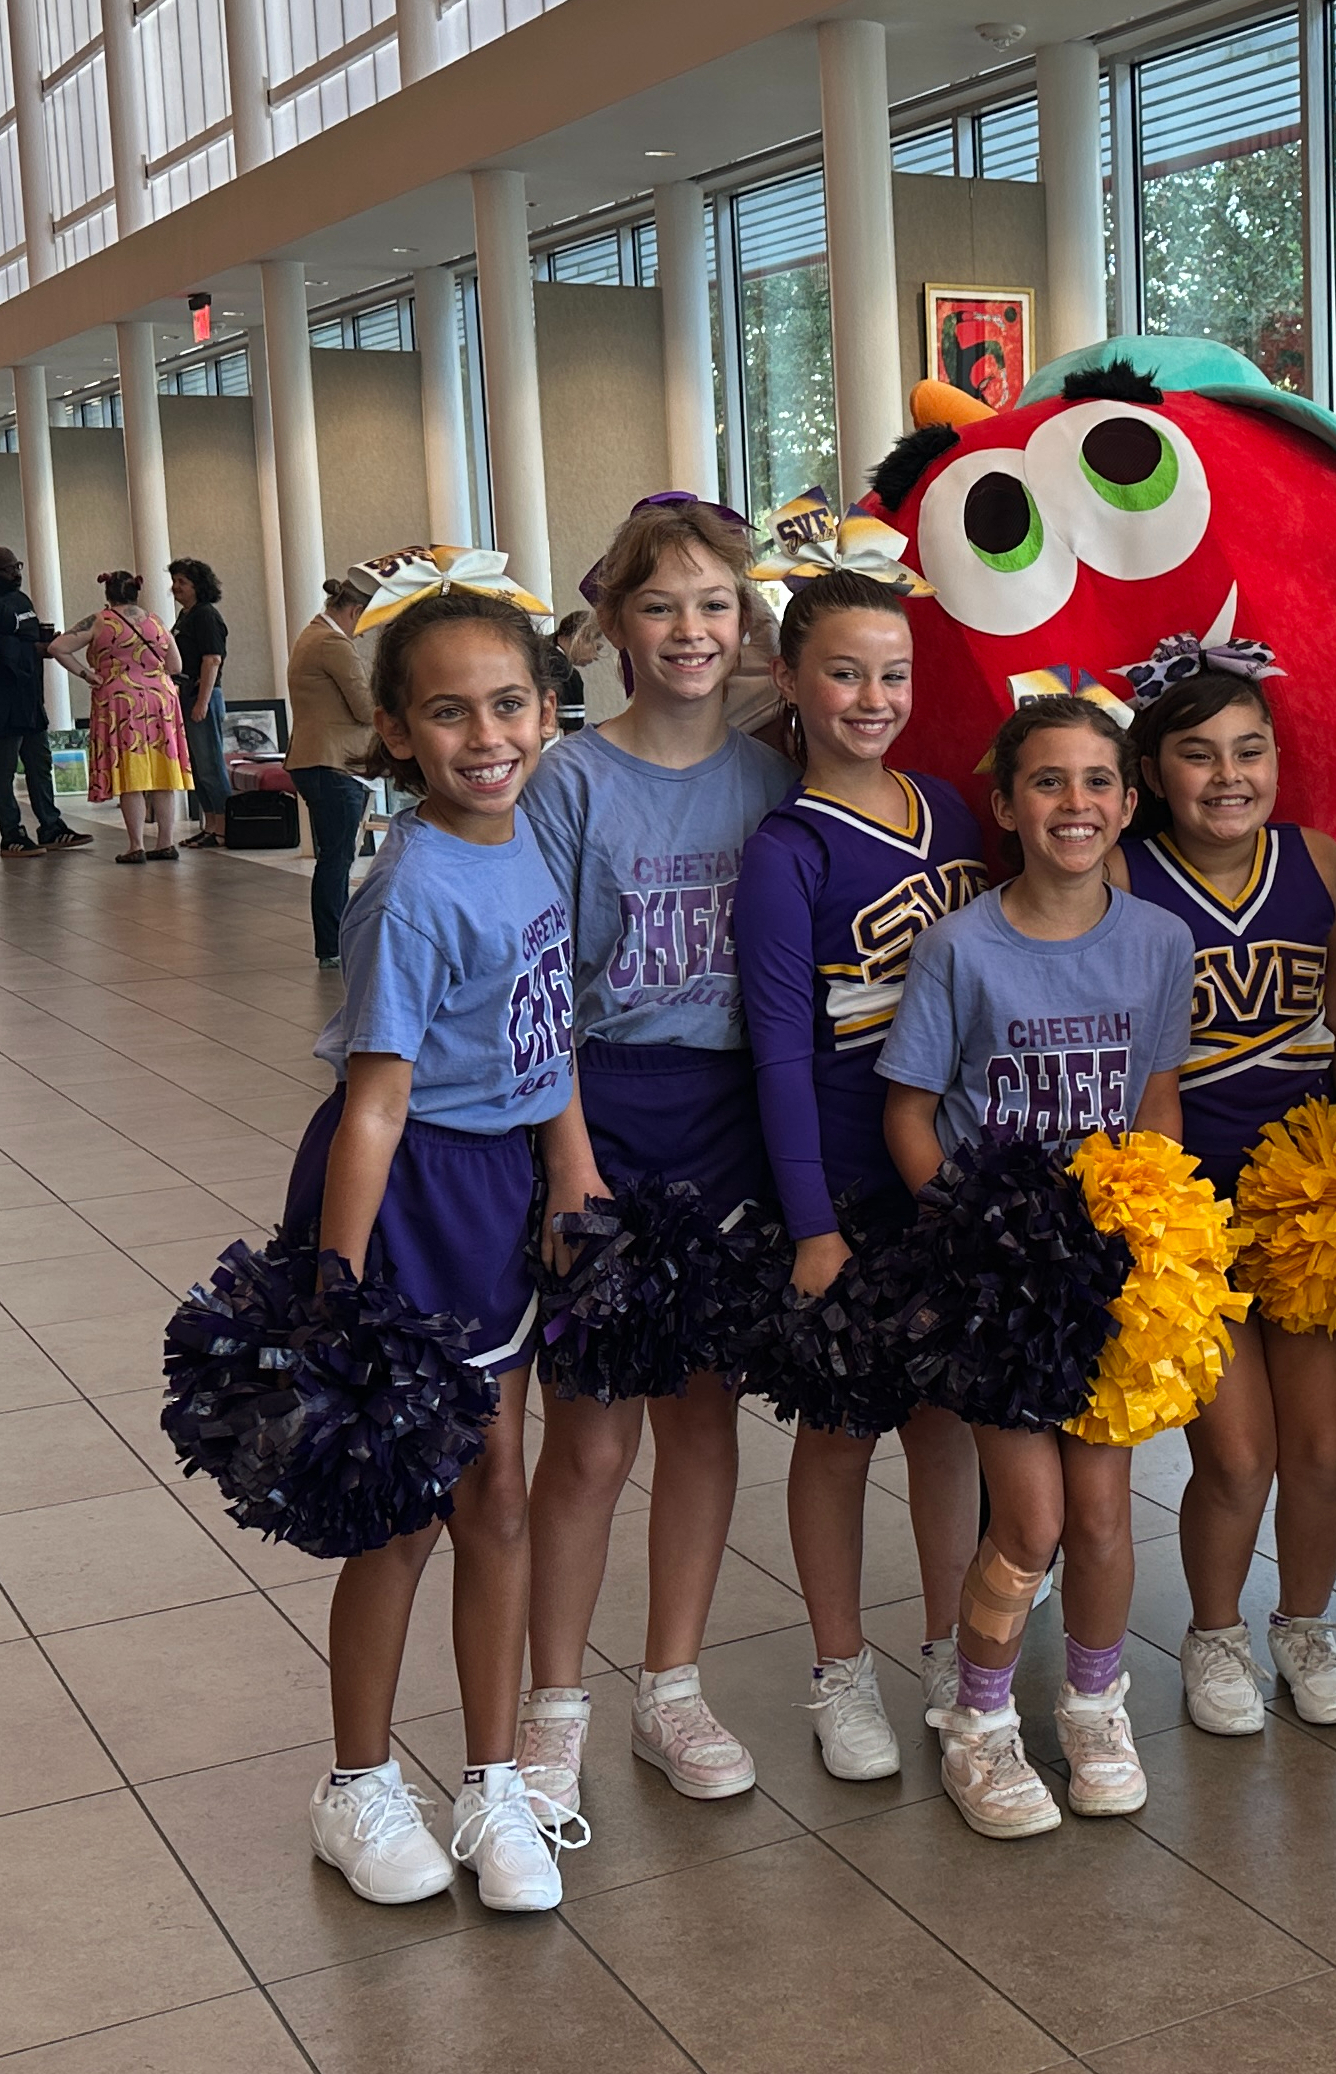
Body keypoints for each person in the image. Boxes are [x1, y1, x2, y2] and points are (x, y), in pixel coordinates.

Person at [295, 585, 598, 1913]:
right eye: (448, 710)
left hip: (502, 1188)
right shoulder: (410, 885)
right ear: (397, 733)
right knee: (405, 1519)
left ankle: (491, 1783)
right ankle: (357, 1785)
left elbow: (547, 1019)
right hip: (414, 1194)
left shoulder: (521, 835)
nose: (488, 732)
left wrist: (568, 1155)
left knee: (502, 1495)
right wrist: (337, 1288)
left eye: (511, 702)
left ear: (545, 707)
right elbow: (374, 1101)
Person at [516, 500, 798, 1818]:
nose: (691, 630)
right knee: (587, 1442)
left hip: (730, 1120)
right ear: (617, 626)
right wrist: (569, 1163)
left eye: (714, 604)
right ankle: (552, 1705)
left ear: (746, 625)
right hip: (605, 1117)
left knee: (700, 1417)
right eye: (661, 605)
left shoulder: (773, 783)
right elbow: (543, 998)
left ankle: (670, 1688)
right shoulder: (569, 782)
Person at [878, 695, 1196, 1839]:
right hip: (1003, 1280)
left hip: (1111, 1269)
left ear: (1127, 799)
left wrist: (1156, 1221)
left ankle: (1097, 1703)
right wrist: (965, 1230)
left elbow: (1155, 1094)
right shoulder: (961, 945)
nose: (1076, 803)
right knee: (1029, 1519)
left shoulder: (1159, 938)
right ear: (1006, 805)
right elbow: (910, 1109)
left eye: (1097, 781)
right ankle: (978, 1719)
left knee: (1106, 1514)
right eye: (1048, 782)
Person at [730, 570, 988, 1783]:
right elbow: (777, 1044)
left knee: (945, 1422)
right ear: (787, 681)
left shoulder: (947, 807)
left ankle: (947, 1644)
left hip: (946, 1169)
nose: (870, 696)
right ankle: (839, 1665)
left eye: (891, 672)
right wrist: (812, 1220)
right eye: (842, 671)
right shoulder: (785, 847)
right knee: (839, 1427)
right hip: (842, 1169)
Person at [1114, 650, 1336, 1733]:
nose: (1227, 774)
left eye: (1249, 749)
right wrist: (1151, 1207)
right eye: (1197, 753)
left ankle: (1304, 1622)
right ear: (1152, 773)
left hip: (1312, 1197)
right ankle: (1213, 1630)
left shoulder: (1317, 858)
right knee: (1235, 1449)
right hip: (1188, 1194)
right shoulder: (1126, 875)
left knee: (1321, 1446)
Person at [49, 572, 190, 862]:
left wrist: (88, 675)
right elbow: (175, 665)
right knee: (164, 773)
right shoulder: (156, 621)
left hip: (120, 701)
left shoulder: (101, 620)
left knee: (130, 773)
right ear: (136, 593)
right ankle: (166, 842)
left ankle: (136, 845)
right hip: (160, 701)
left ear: (108, 594)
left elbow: (57, 647)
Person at [288, 576, 377, 966]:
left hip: (315, 760)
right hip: (332, 762)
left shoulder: (312, 634)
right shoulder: (333, 644)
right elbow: (364, 707)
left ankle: (333, 942)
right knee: (337, 858)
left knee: (333, 855)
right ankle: (333, 945)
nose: (361, 635)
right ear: (355, 611)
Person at [0, 547, 86, 854]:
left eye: (17, 566)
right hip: (5, 707)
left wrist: (50, 645)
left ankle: (51, 826)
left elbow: (27, 642)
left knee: (40, 765)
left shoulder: (22, 602)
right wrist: (37, 650)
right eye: (9, 569)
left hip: (30, 701)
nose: (17, 573)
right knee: (4, 772)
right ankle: (11, 833)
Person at [169, 559, 232, 848]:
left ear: (198, 586)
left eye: (182, 582)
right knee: (197, 765)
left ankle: (223, 826)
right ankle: (209, 824)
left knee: (209, 764)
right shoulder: (185, 616)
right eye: (175, 581)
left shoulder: (206, 615)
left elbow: (212, 660)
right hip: (185, 695)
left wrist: (202, 702)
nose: (176, 587)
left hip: (202, 696)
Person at [549, 610, 594, 733]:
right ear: (579, 637)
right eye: (597, 647)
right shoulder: (568, 675)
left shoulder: (534, 653)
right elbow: (573, 733)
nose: (596, 656)